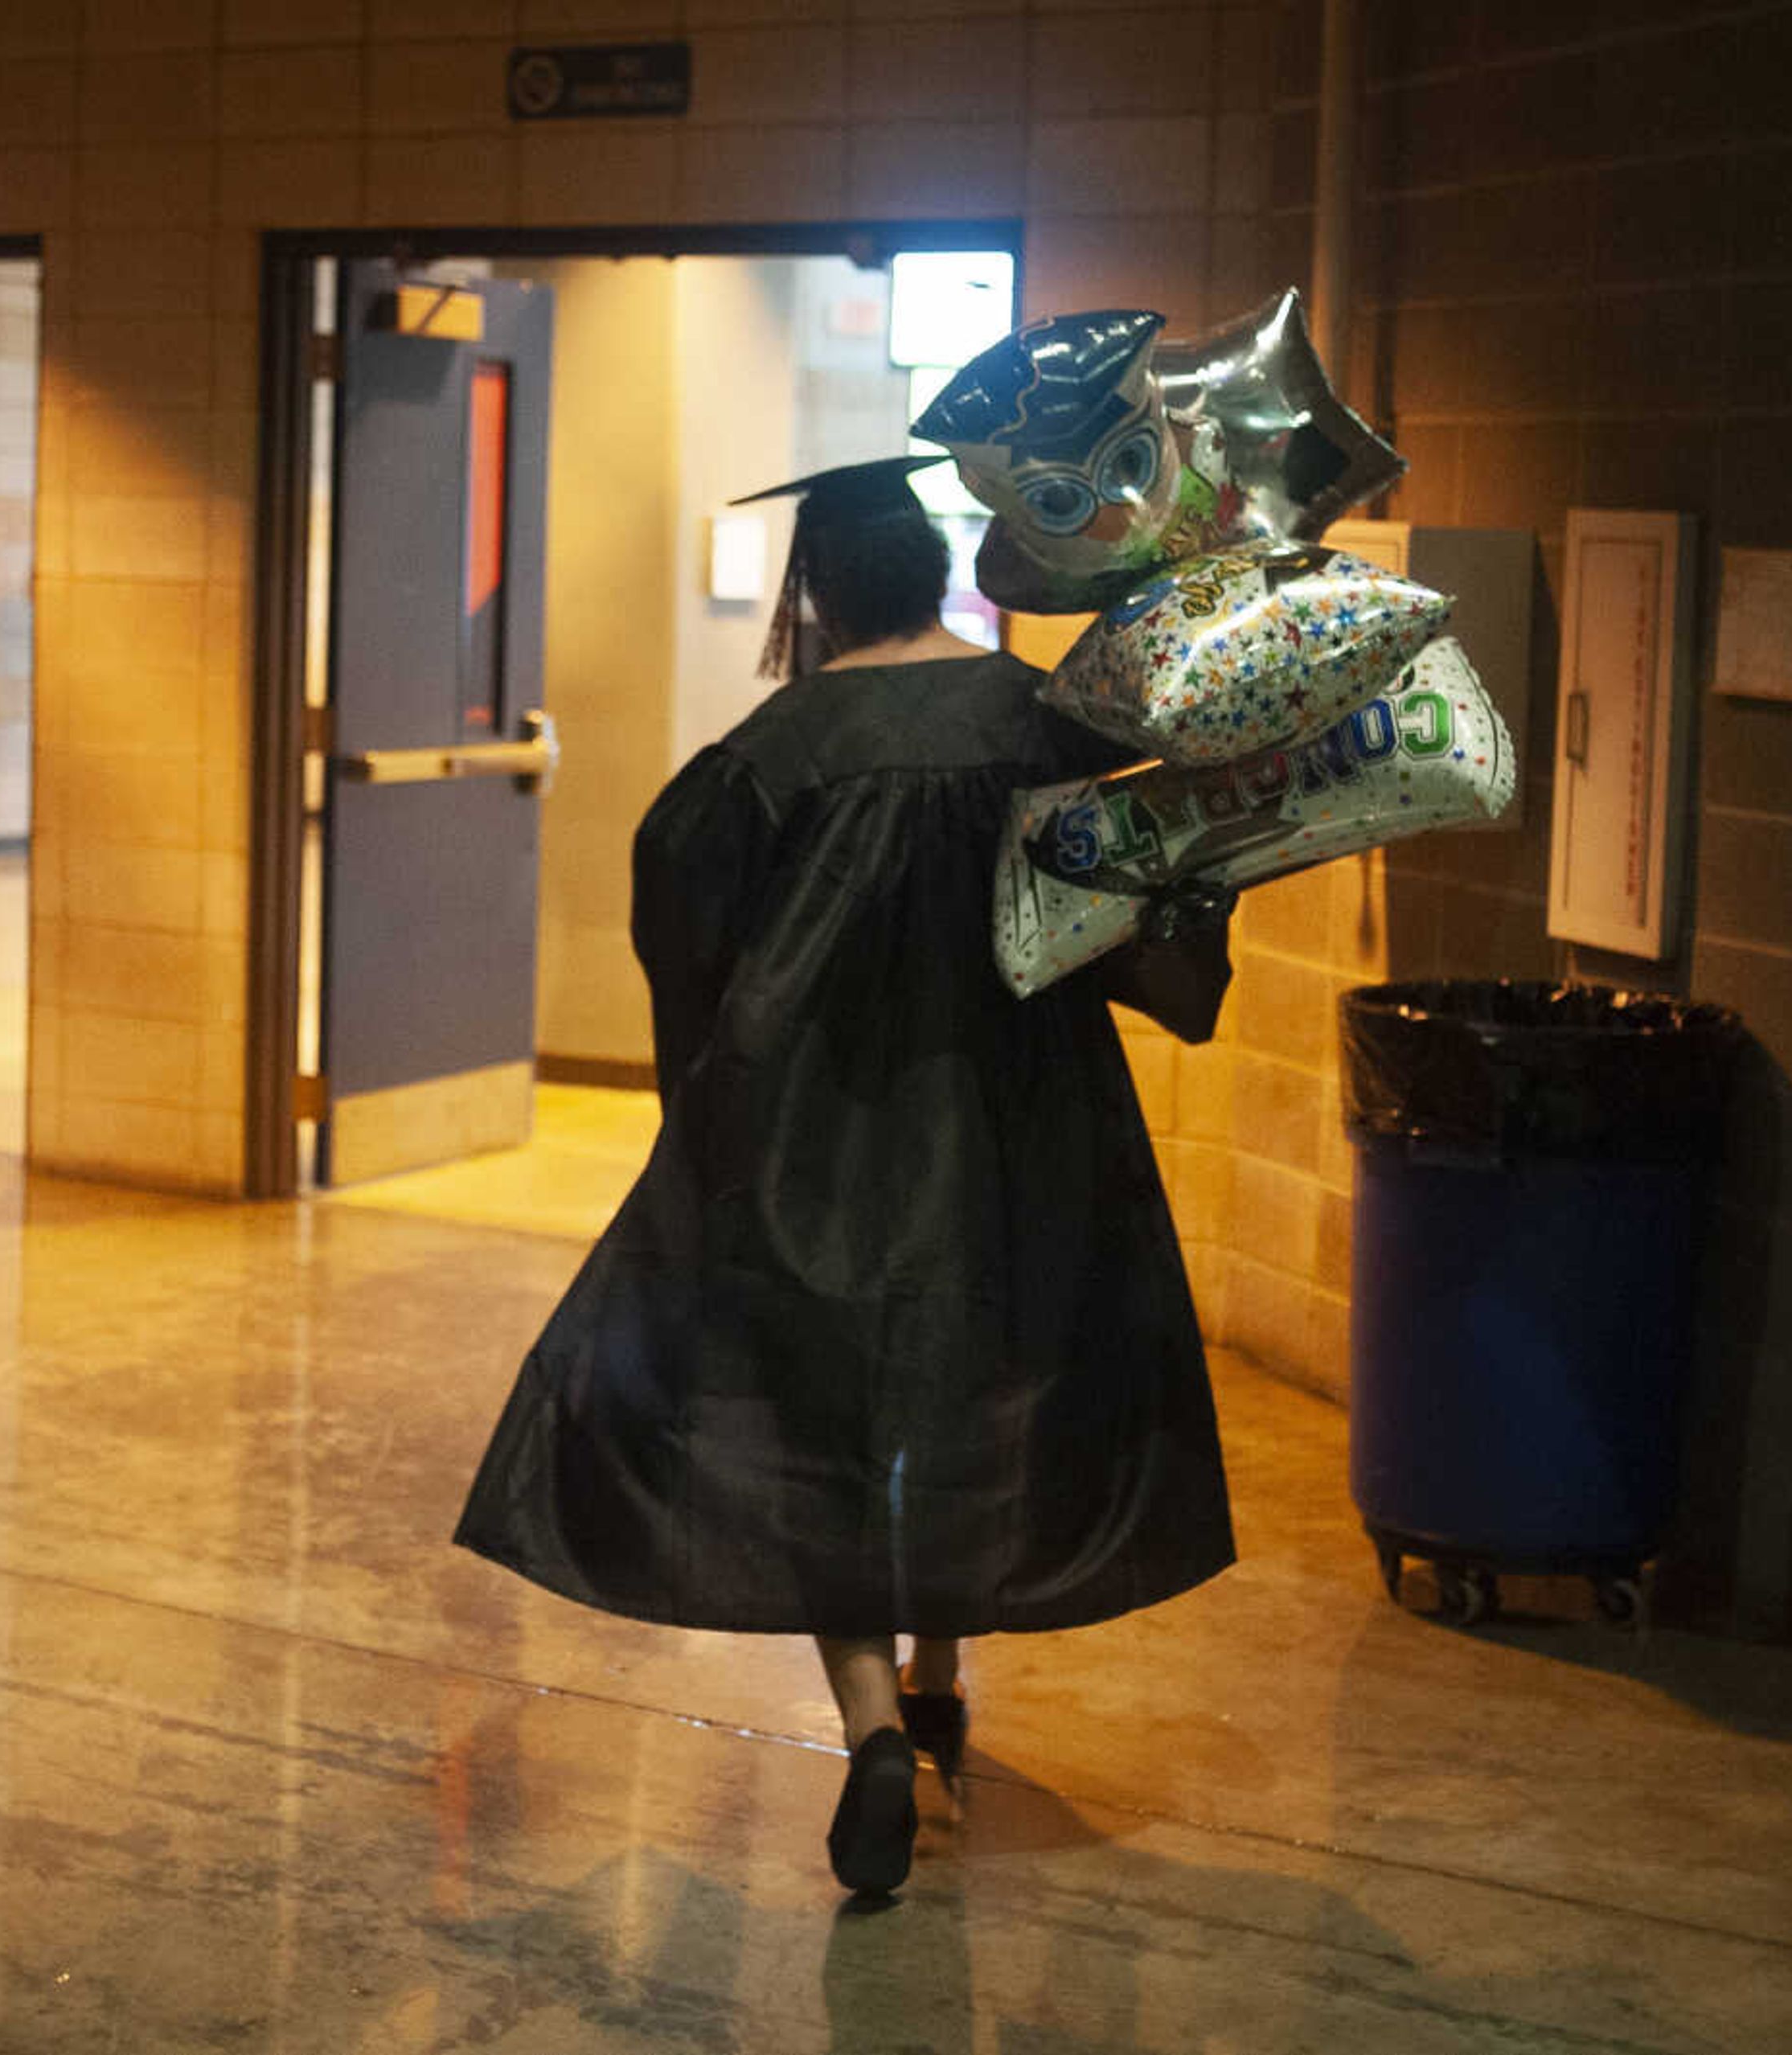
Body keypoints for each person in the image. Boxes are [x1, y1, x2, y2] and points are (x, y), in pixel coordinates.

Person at [453, 455, 1238, 1897]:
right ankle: (944, 1677)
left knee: (821, 1420)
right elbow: (1140, 908)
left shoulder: (778, 749)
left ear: (815, 591)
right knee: (985, 1390)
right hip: (1022, 1131)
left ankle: (876, 1723)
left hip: (814, 1142)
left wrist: (716, 1087)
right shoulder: (1040, 720)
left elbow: (684, 931)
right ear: (936, 567)